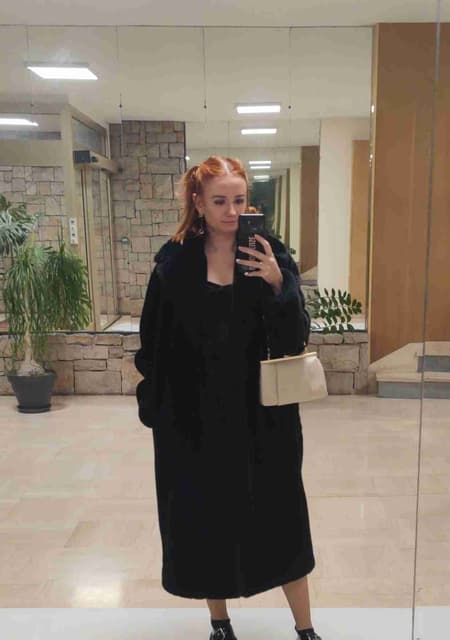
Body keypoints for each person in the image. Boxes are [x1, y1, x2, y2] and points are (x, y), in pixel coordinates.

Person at [134, 156, 322, 640]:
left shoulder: (269, 253)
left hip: (262, 414)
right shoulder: (174, 262)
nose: (232, 211)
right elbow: (152, 341)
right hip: (191, 416)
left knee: (280, 514)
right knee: (204, 517)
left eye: (239, 200)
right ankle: (219, 623)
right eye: (219, 201)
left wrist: (279, 283)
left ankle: (305, 628)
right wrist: (155, 405)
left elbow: (294, 337)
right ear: (197, 202)